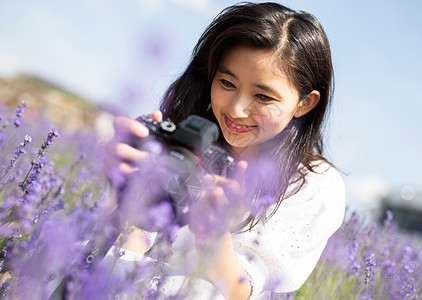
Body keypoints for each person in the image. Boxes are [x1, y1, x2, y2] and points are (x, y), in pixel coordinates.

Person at [103, 2, 346, 299]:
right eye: (227, 82)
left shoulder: (316, 185)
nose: (236, 109)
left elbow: (239, 293)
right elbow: (122, 251)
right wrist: (124, 192)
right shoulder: (182, 137)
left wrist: (213, 232)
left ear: (304, 104)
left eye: (263, 96)